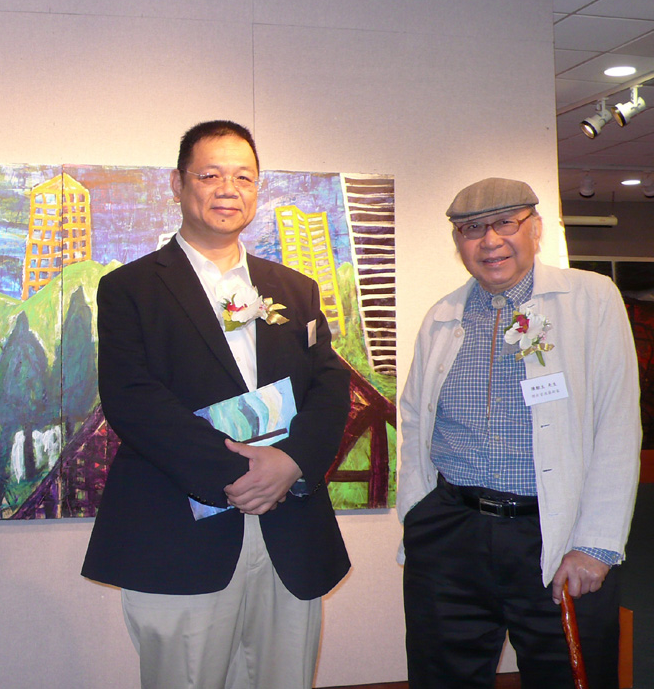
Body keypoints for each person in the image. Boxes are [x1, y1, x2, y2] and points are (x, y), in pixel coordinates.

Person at [81, 120, 351, 689]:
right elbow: (133, 399)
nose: (229, 189)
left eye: (243, 177)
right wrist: (239, 474)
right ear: (178, 184)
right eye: (210, 175)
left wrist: (290, 463)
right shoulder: (130, 288)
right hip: (180, 528)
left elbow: (329, 387)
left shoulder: (295, 288)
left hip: (289, 524)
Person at [397, 177, 641, 688]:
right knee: (441, 675)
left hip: (554, 531)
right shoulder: (443, 315)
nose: (490, 241)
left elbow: (617, 425)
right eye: (471, 229)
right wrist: (419, 520)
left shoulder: (591, 299)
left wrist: (595, 545)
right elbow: (416, 418)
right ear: (458, 241)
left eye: (505, 223)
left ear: (535, 229)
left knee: (569, 674)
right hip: (452, 532)